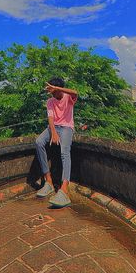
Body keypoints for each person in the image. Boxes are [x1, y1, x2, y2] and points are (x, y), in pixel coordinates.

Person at [35, 77, 78, 207]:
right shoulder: (50, 101)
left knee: (64, 151)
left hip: (66, 127)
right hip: (54, 127)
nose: (52, 93)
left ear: (59, 89)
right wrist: (53, 132)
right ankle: (48, 181)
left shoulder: (68, 98)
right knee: (39, 142)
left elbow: (75, 92)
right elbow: (50, 118)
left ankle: (64, 188)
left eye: (54, 90)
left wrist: (58, 88)